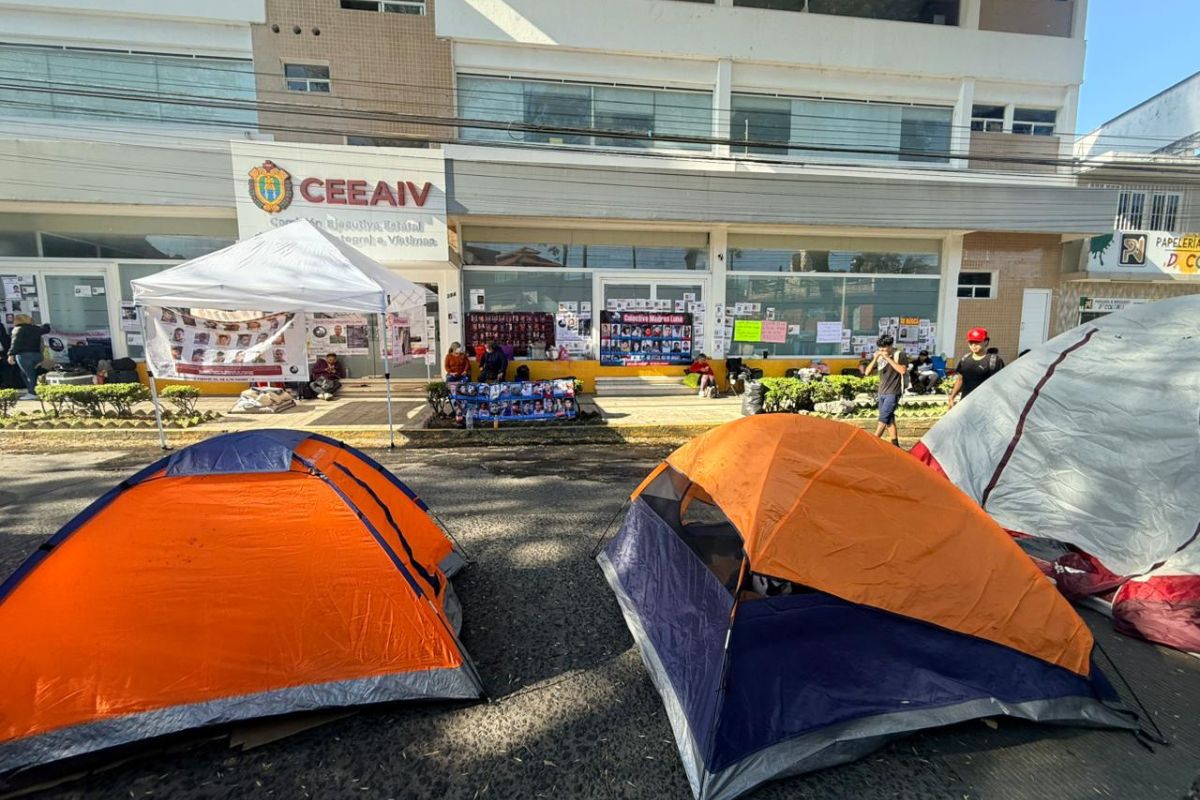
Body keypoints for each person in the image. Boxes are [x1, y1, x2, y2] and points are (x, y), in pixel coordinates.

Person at [863, 334, 908, 446]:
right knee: (889, 419)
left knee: (883, 418)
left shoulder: (900, 355)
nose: (882, 351)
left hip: (893, 391)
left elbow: (902, 370)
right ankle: (895, 445)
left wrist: (888, 358)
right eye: (880, 349)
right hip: (882, 391)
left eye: (884, 348)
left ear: (890, 346)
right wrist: (875, 358)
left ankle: (872, 442)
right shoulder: (879, 357)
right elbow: (867, 372)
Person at [948, 327, 1004, 408]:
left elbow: (999, 383)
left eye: (977, 342)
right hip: (966, 403)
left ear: (986, 342)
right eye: (971, 343)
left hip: (985, 404)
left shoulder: (994, 361)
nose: (973, 345)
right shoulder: (965, 359)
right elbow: (960, 379)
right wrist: (952, 396)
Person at [6, 314, 50, 400]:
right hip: (37, 355)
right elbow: (46, 329)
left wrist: (10, 355)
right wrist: (47, 324)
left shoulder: (17, 329)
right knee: (26, 373)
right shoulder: (36, 328)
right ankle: (33, 390)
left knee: (28, 374)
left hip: (24, 356)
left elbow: (15, 344)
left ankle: (32, 393)